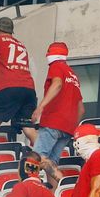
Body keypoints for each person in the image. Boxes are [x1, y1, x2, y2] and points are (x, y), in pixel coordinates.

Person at [0, 17, 37, 151]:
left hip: (9, 87)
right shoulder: (21, 44)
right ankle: (44, 154)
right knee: (27, 126)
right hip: (28, 89)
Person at [31, 42, 84, 189]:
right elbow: (81, 108)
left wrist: (40, 107)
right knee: (51, 162)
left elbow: (57, 84)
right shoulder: (73, 75)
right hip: (67, 128)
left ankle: (28, 190)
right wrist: (71, 126)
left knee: (34, 158)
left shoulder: (56, 67)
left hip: (53, 121)